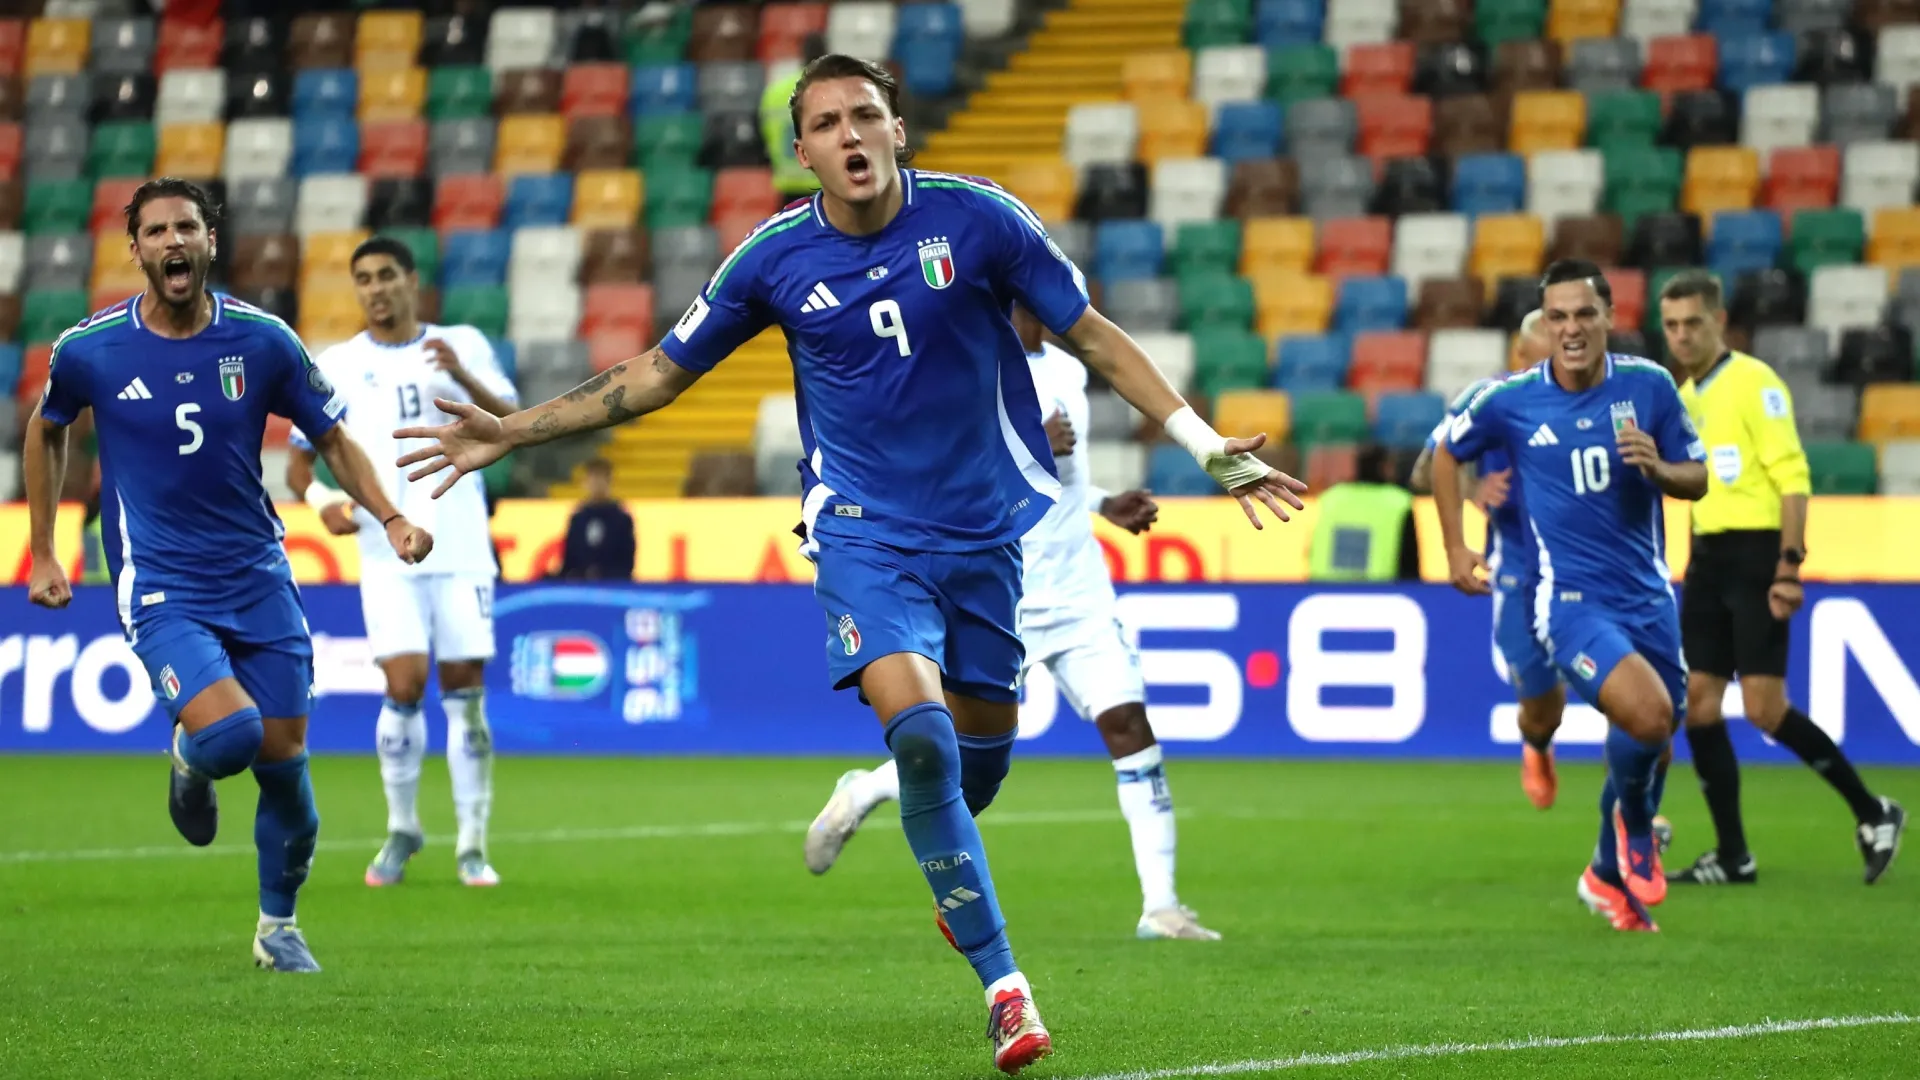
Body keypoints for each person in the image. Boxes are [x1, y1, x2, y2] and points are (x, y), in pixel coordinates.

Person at [391, 54, 1304, 1074]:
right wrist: (514, 429)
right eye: (826, 124)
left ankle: (933, 857)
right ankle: (1006, 988)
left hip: (985, 540)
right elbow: (655, 374)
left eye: (865, 115)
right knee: (924, 740)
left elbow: (1091, 334)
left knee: (979, 766)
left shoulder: (979, 219)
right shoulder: (773, 258)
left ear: (897, 130)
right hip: (863, 532)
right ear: (803, 151)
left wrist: (1202, 444)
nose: (850, 135)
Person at [21, 177, 432, 971]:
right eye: (156, 231)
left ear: (211, 240)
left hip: (258, 577)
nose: (172, 242)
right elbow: (48, 429)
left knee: (290, 782)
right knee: (232, 735)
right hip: (161, 583)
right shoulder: (90, 348)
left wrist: (389, 515)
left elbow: (332, 436)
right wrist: (44, 550)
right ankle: (190, 758)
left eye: (187, 227)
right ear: (134, 249)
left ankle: (278, 930)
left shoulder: (264, 340)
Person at [801, 305, 1221, 942]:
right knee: (967, 755)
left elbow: (1064, 482)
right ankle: (865, 791)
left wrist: (1104, 503)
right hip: (1000, 589)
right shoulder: (964, 363)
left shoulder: (1069, 371)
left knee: (1129, 723)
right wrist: (1028, 443)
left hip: (1078, 589)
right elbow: (940, 470)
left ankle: (1161, 907)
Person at [1433, 260, 1708, 933]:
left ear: (1609, 316)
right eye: (1558, 316)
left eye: (1584, 313)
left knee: (1658, 736)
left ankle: (1604, 873)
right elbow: (1443, 452)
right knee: (1648, 718)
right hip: (1570, 602)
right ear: (1544, 325)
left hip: (1649, 598)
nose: (1572, 328)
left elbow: (1698, 477)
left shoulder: (1649, 386)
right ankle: (1634, 825)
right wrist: (1456, 546)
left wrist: (1659, 467)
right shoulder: (1512, 400)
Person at [1658, 270, 1906, 887]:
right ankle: (1733, 854)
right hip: (1707, 557)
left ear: (1720, 322)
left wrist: (1789, 564)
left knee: (1765, 709)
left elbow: (1792, 477)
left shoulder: (1754, 382)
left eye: (1692, 323)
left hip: (1757, 554)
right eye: (1671, 325)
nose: (1682, 335)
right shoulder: (1684, 396)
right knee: (1700, 705)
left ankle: (1872, 810)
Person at [285, 235, 517, 890]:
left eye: (387, 275)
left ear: (412, 281)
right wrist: (321, 500)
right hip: (386, 547)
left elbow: (517, 423)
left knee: (465, 691)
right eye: (363, 278)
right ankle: (402, 827)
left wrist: (463, 378)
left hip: (461, 543)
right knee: (404, 683)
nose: (376, 288)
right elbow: (299, 460)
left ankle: (472, 842)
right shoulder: (338, 363)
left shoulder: (462, 343)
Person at [1412, 310, 1566, 808]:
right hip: (1518, 570)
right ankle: (1537, 745)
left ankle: (1635, 812)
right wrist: (1471, 485)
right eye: (1545, 356)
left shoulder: (1595, 397)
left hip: (1589, 568)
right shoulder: (1487, 400)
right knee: (1541, 708)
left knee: (1627, 698)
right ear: (1519, 354)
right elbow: (1425, 469)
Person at [1308, 443, 1419, 582]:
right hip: (1380, 591)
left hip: (1323, 588)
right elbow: (1409, 564)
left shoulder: (1330, 498)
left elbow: (1311, 549)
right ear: (1386, 467)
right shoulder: (1398, 502)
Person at [558, 458, 636, 580]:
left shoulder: (622, 519)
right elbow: (569, 558)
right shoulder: (578, 519)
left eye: (600, 478)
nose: (596, 484)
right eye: (592, 478)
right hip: (580, 583)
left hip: (611, 583)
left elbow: (627, 560)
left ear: (609, 482)